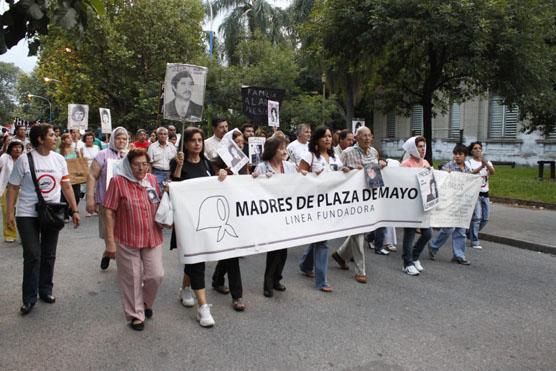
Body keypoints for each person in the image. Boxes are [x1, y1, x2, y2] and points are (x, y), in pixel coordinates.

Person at [6, 123, 80, 315]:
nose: (55, 138)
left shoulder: (59, 160)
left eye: (55, 135)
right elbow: (13, 187)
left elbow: (66, 186)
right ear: (40, 139)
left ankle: (45, 290)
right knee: (32, 255)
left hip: (52, 213)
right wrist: (9, 213)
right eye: (51, 135)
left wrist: (74, 210)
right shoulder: (24, 160)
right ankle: (29, 298)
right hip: (27, 213)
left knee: (49, 254)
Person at [170, 127, 227, 327]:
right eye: (193, 140)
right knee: (197, 262)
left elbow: (216, 187)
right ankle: (203, 308)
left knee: (195, 258)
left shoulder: (206, 163)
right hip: (187, 222)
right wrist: (177, 167)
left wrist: (221, 174)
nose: (197, 143)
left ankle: (186, 288)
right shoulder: (178, 162)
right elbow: (173, 188)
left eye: (200, 140)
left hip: (205, 221)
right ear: (185, 143)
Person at [103, 148, 164, 331]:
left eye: (145, 164)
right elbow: (108, 211)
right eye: (137, 164)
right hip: (127, 237)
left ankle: (145, 303)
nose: (141, 168)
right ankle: (136, 314)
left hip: (152, 235)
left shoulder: (152, 180)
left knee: (156, 275)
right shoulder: (118, 182)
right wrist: (110, 242)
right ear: (128, 165)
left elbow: (159, 203)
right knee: (132, 278)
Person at [331, 127, 387, 283]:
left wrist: (382, 164)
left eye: (370, 135)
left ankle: (341, 254)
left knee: (362, 230)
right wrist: (347, 170)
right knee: (358, 231)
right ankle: (360, 270)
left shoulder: (374, 152)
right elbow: (335, 170)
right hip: (353, 199)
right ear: (356, 137)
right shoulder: (347, 152)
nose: (367, 138)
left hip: (369, 197)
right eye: (364, 136)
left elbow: (375, 172)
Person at [298, 126, 347, 292]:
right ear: (317, 139)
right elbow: (299, 176)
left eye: (329, 136)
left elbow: (340, 174)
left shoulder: (334, 157)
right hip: (314, 204)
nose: (327, 139)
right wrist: (312, 176)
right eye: (324, 136)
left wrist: (346, 171)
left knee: (320, 238)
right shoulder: (310, 156)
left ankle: (305, 265)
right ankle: (322, 281)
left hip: (331, 203)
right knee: (322, 240)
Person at [253, 136, 298, 297]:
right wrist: (259, 179)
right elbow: (254, 186)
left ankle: (277, 278)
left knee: (283, 249)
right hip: (270, 214)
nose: (285, 151)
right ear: (272, 151)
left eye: (285, 148)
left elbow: (299, 182)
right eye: (281, 148)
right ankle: (268, 282)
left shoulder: (290, 167)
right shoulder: (262, 167)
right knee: (273, 249)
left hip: (286, 212)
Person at [86, 127, 129, 271]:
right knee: (109, 233)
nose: (121, 141)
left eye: (124, 138)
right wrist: (90, 199)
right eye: (118, 138)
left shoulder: (129, 155)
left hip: (125, 202)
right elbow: (92, 175)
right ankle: (111, 252)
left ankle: (109, 254)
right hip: (106, 201)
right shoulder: (102, 155)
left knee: (123, 234)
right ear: (112, 139)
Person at [428, 144, 473, 265]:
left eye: (460, 154)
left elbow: (470, 184)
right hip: (449, 202)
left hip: (461, 203)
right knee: (448, 228)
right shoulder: (449, 166)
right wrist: (445, 172)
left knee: (461, 230)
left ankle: (459, 255)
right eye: (455, 154)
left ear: (465, 156)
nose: (457, 156)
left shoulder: (467, 169)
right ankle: (433, 246)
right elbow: (441, 174)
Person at [400, 136, 432, 276]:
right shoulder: (406, 164)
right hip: (410, 205)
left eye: (424, 146)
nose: (423, 149)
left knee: (428, 233)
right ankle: (407, 263)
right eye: (419, 146)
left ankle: (414, 256)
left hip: (423, 205)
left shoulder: (425, 163)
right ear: (413, 148)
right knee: (410, 234)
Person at [466, 141, 495, 250]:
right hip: (475, 193)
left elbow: (492, 172)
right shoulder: (469, 162)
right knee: (477, 217)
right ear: (472, 151)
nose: (478, 150)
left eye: (479, 148)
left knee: (485, 219)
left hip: (485, 193)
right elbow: (470, 173)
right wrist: (480, 167)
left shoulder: (487, 162)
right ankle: (475, 241)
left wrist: (486, 164)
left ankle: (469, 233)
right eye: (475, 148)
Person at [0, 141, 24, 242]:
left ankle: (25, 235)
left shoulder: (24, 159)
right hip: (6, 189)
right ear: (10, 148)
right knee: (7, 212)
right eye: (15, 147)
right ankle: (10, 234)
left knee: (21, 213)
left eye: (19, 147)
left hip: (22, 189)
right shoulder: (4, 158)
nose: (17, 149)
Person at [58, 133, 82, 221]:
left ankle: (70, 210)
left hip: (75, 176)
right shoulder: (58, 151)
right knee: (64, 196)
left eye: (71, 138)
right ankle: (65, 215)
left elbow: (80, 162)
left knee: (77, 195)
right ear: (63, 140)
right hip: (64, 176)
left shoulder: (75, 150)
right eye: (68, 138)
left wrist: (79, 154)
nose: (70, 139)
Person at [147, 127, 177, 191]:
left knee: (169, 193)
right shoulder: (152, 147)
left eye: (165, 134)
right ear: (157, 135)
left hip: (170, 174)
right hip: (157, 173)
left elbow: (175, 162)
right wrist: (149, 177)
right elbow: (149, 163)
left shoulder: (172, 146)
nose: (163, 136)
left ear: (167, 135)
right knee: (158, 193)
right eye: (160, 134)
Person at [81, 132, 100, 216]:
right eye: (87, 138)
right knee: (88, 190)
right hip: (87, 170)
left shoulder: (97, 147)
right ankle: (87, 209)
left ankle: (95, 207)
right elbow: (80, 161)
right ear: (85, 139)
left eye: (91, 138)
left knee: (96, 189)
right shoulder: (82, 148)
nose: (89, 140)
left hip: (96, 169)